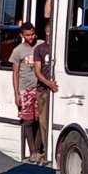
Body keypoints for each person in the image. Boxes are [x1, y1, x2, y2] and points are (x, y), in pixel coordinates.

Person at [9, 22, 44, 162]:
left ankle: (39, 148)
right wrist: (17, 93)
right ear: (22, 35)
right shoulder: (18, 51)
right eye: (27, 35)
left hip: (40, 88)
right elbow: (15, 73)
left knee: (41, 120)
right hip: (25, 89)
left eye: (33, 34)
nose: (31, 37)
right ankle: (33, 151)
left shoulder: (41, 44)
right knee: (28, 121)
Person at [34, 22, 59, 162]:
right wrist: (48, 83)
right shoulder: (40, 49)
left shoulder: (60, 47)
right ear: (48, 32)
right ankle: (46, 151)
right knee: (43, 122)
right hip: (43, 90)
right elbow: (37, 72)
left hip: (57, 90)